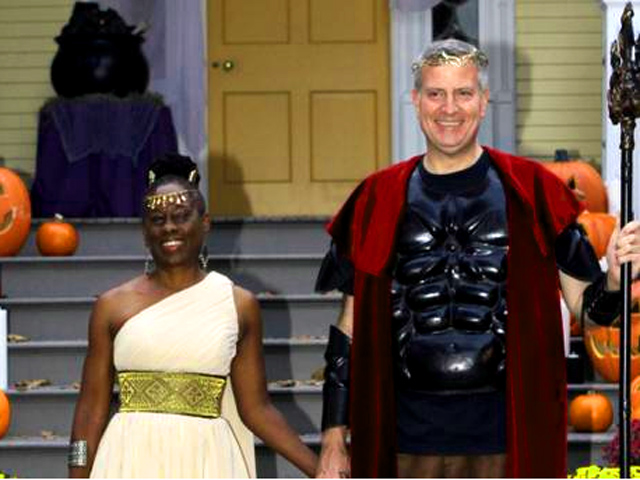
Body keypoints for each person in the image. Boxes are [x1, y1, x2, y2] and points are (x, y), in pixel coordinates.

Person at [314, 39, 640, 478]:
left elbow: (590, 311)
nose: (449, 108)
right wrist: (334, 439)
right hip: (405, 440)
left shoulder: (536, 192)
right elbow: (347, 332)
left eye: (463, 93)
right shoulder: (376, 198)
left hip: (506, 441)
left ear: (484, 101)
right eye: (436, 93)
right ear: (415, 100)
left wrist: (616, 281)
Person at [68, 154, 317, 478]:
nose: (169, 226)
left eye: (181, 216)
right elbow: (89, 411)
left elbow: (257, 410)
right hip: (128, 460)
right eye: (157, 219)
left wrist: (318, 468)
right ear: (145, 232)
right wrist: (76, 474)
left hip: (207, 461)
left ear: (205, 223)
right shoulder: (112, 306)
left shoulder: (238, 305)